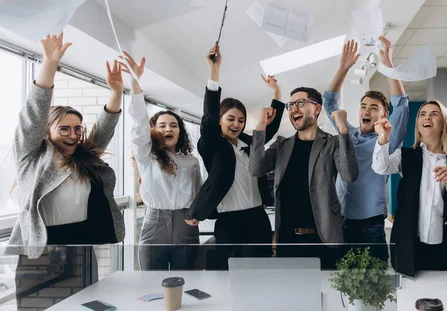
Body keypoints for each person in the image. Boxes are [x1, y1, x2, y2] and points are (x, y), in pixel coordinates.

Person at [7, 33, 125, 300]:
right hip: (40, 249)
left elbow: (105, 128)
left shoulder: (85, 158)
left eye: (77, 129)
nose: (73, 135)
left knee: (84, 305)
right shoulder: (30, 157)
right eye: (64, 129)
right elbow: (34, 114)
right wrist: (49, 64)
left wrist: (117, 92)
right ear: (47, 130)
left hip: (81, 247)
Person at [186, 43, 284, 270]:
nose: (236, 124)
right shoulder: (211, 145)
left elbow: (270, 128)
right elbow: (208, 117)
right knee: (227, 274)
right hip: (229, 221)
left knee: (260, 272)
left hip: (258, 217)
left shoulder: (249, 143)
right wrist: (214, 72)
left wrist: (276, 93)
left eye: (240, 120)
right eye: (230, 118)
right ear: (220, 120)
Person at [249, 84, 359, 269]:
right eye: (290, 105)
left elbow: (349, 175)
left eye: (299, 103)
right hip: (287, 240)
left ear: (316, 108)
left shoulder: (331, 143)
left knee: (325, 295)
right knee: (292, 295)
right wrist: (260, 127)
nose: (293, 109)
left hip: (323, 239)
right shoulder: (282, 145)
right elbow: (256, 169)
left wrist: (343, 129)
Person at [323, 37, 409, 262]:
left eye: (374, 108)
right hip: (341, 221)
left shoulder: (387, 138)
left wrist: (388, 65)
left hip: (371, 224)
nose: (366, 111)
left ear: (383, 115)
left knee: (375, 285)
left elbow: (401, 105)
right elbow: (330, 103)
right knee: (344, 285)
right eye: (363, 107)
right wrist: (343, 68)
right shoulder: (347, 134)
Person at [122, 51, 202, 270]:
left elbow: (200, 192)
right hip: (154, 222)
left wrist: (198, 213)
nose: (168, 128)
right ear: (154, 131)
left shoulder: (191, 162)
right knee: (151, 282)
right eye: (162, 125)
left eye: (174, 125)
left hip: (186, 224)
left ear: (180, 132)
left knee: (185, 279)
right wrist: (136, 85)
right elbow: (138, 127)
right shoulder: (147, 156)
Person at [372, 100, 447, 276]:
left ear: (444, 124)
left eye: (434, 114)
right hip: (410, 247)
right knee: (411, 299)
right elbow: (380, 167)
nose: (427, 117)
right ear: (418, 126)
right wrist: (383, 138)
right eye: (423, 114)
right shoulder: (405, 155)